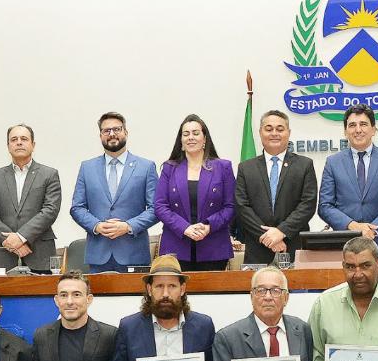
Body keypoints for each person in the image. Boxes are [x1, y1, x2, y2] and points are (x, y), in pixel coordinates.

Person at [70, 111, 159, 273]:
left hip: (134, 255)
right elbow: (77, 208)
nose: (112, 134)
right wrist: (96, 225)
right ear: (100, 135)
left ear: (126, 132)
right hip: (98, 255)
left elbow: (156, 209)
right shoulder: (87, 168)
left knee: (135, 299)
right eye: (106, 131)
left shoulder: (146, 167)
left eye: (117, 129)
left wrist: (128, 226)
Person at [318, 104, 378, 263]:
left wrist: (372, 230)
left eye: (363, 124)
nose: (357, 129)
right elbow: (325, 206)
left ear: (374, 130)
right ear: (345, 132)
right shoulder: (333, 162)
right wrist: (353, 226)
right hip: (344, 247)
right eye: (352, 125)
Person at [234, 110, 317, 266]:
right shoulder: (246, 168)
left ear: (288, 133)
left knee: (296, 290)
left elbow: (308, 204)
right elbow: (242, 206)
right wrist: (267, 237)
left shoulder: (304, 165)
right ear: (260, 132)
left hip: (292, 246)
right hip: (257, 249)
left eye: (280, 129)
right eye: (269, 128)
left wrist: (281, 232)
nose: (274, 133)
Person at [154, 114, 235, 271]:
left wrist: (208, 226)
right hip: (176, 247)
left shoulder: (223, 167)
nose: (190, 137)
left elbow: (230, 206)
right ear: (181, 141)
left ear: (205, 139)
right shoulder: (169, 168)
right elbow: (160, 206)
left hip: (214, 247)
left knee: (212, 295)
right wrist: (185, 228)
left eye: (196, 133)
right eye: (186, 134)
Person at [0, 124, 63, 273]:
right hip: (4, 254)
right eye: (14, 139)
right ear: (8, 146)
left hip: (40, 255)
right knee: (5, 296)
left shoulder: (49, 174)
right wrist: (11, 242)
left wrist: (20, 237)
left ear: (33, 144)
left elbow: (50, 211)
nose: (19, 142)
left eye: (24, 139)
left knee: (41, 295)